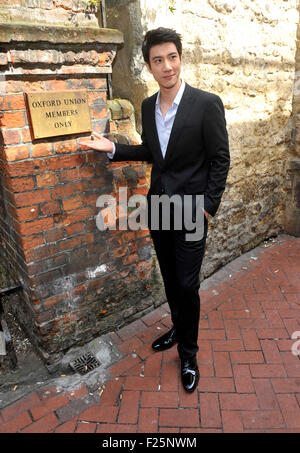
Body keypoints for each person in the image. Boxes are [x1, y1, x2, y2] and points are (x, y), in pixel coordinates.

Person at [78, 27, 230, 393]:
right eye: (158, 60)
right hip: (160, 207)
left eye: (172, 57)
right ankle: (179, 327)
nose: (167, 66)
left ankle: (189, 354)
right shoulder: (148, 106)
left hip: (193, 212)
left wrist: (208, 208)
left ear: (181, 58)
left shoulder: (206, 104)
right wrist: (113, 148)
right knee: (168, 275)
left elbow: (220, 159)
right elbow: (151, 151)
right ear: (149, 65)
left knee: (186, 283)